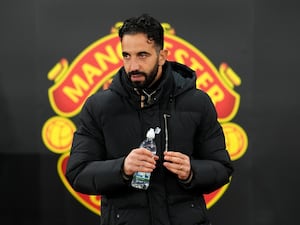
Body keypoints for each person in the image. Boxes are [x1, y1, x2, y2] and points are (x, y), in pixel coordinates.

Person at [66, 14, 233, 225]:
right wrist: (122, 168)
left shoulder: (197, 103)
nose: (133, 65)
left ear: (162, 55)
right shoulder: (99, 107)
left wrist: (192, 171)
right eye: (126, 56)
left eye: (142, 55)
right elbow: (78, 173)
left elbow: (222, 168)